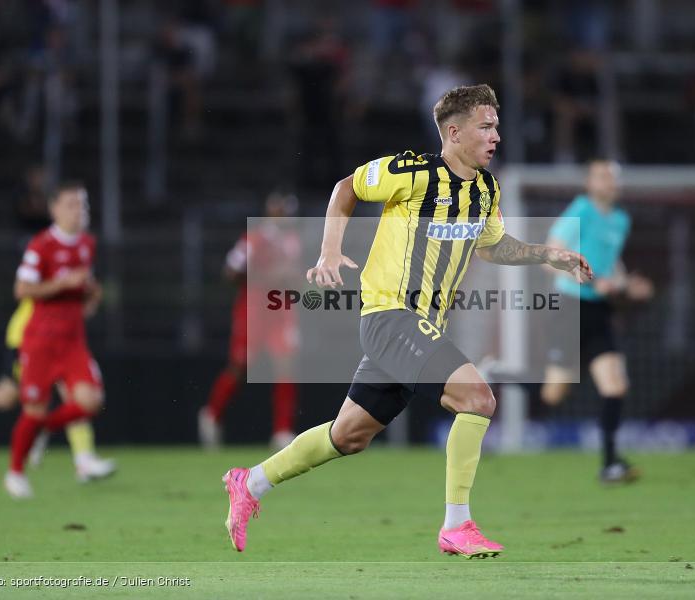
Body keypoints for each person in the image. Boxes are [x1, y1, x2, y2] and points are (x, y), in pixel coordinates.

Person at [220, 84, 593, 557]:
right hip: (391, 316)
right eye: (486, 126)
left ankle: (250, 483)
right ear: (454, 133)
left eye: (496, 125)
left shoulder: (486, 189)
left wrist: (550, 255)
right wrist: (330, 249)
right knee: (477, 399)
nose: (496, 135)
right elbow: (346, 188)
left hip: (423, 326)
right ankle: (456, 525)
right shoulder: (412, 172)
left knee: (348, 435)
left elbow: (494, 246)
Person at [540, 160, 653, 483]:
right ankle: (500, 375)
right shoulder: (581, 210)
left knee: (615, 385)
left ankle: (610, 463)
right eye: (601, 176)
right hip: (569, 306)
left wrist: (627, 285)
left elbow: (610, 263)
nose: (608, 181)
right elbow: (552, 256)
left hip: (599, 310)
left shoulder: (620, 219)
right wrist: (590, 281)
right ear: (589, 182)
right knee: (553, 395)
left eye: (612, 176)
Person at [4, 182, 112, 499]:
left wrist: (91, 295)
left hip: (72, 342)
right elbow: (22, 289)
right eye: (71, 204)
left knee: (91, 401)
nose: (79, 210)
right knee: (33, 409)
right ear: (54, 209)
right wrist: (62, 283)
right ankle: (15, 472)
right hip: (39, 342)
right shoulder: (41, 245)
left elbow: (83, 289)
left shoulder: (86, 244)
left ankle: (42, 431)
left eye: (82, 204)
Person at [199, 190, 302, 450]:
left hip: (280, 310)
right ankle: (212, 414)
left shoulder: (292, 242)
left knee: (286, 366)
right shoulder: (253, 240)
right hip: (254, 309)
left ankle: (282, 431)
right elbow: (230, 271)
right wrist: (266, 275)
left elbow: (296, 277)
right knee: (240, 366)